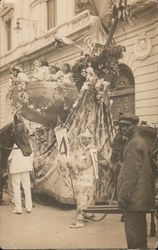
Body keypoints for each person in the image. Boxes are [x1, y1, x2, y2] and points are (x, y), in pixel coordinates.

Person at [117, 114, 155, 249]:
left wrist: (123, 196)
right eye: (121, 126)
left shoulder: (134, 144)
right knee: (140, 235)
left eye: (126, 126)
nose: (123, 129)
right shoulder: (139, 141)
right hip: (139, 199)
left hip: (133, 200)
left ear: (134, 127)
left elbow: (131, 174)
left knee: (134, 238)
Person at [67, 129, 97, 228]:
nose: (83, 140)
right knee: (87, 198)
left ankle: (80, 221)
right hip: (86, 178)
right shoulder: (86, 149)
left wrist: (73, 165)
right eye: (82, 138)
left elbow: (86, 164)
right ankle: (87, 215)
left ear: (90, 139)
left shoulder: (91, 150)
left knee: (81, 198)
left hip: (86, 178)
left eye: (86, 139)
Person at [8, 144, 33, 214]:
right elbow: (31, 154)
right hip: (26, 167)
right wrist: (30, 165)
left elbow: (9, 157)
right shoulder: (26, 141)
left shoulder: (13, 143)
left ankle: (18, 209)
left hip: (15, 168)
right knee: (27, 188)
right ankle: (29, 208)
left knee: (16, 188)